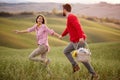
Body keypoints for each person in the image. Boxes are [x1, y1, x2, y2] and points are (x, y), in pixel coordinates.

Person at [59, 3, 99, 80]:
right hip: (74, 41)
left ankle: (94, 75)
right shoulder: (69, 18)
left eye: (62, 9)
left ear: (64, 10)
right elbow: (68, 28)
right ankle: (75, 66)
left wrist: (81, 37)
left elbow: (78, 26)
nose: (62, 11)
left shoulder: (71, 17)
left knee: (83, 59)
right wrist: (62, 35)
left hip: (78, 41)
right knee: (66, 51)